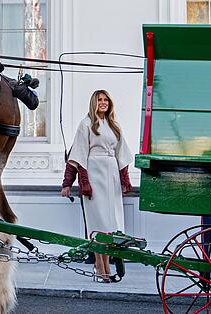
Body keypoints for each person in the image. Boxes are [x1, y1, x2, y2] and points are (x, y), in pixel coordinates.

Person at [61, 90, 134, 282]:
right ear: (94, 103)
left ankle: (105, 268)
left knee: (110, 225)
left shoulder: (113, 125)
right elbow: (76, 155)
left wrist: (125, 181)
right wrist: (67, 183)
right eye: (99, 100)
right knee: (98, 223)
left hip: (112, 176)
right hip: (94, 175)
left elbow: (122, 155)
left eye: (106, 100)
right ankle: (100, 268)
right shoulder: (86, 124)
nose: (103, 103)